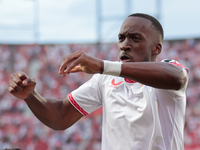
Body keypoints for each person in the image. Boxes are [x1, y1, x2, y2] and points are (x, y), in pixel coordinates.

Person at [8, 13, 189, 150]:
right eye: (121, 38)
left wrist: (104, 66)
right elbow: (60, 117)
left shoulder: (169, 70)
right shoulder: (105, 80)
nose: (124, 44)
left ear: (156, 48)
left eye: (135, 38)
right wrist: (30, 96)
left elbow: (176, 77)